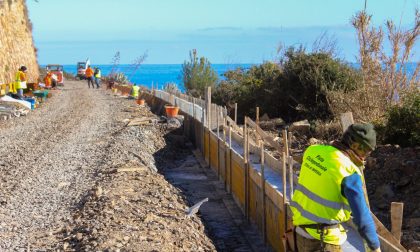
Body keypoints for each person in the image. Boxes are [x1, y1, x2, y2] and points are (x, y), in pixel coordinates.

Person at [291, 123, 381, 252]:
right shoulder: (348, 171)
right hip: (324, 241)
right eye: (366, 151)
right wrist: (375, 246)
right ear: (355, 146)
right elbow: (362, 217)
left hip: (300, 232)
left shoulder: (312, 151)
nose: (365, 157)